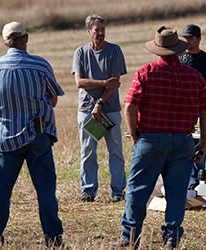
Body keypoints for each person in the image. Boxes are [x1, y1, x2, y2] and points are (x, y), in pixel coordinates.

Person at [110, 26, 206, 249]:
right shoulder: (194, 76)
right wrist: (203, 144)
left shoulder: (146, 72)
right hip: (183, 141)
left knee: (138, 191)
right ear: (178, 50)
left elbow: (130, 106)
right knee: (177, 194)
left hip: (150, 140)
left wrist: (136, 138)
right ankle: (171, 238)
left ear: (157, 50)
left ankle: (129, 237)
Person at [0, 21, 64, 247]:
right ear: (26, 39)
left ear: (6, 42)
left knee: (1, 191)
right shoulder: (40, 65)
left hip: (6, 139)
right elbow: (53, 100)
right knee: (45, 190)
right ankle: (53, 238)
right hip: (38, 136)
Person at [72, 14, 127, 203]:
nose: (101, 33)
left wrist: (100, 103)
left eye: (103, 29)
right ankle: (88, 191)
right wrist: (104, 82)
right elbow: (80, 82)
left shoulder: (114, 51)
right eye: (97, 29)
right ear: (89, 32)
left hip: (109, 109)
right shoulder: (81, 52)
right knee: (87, 151)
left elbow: (115, 83)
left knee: (116, 150)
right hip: (87, 110)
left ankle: (118, 191)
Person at [179, 24, 206, 190]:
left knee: (199, 146)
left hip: (201, 110)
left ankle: (199, 183)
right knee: (183, 146)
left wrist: (199, 85)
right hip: (180, 110)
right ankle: (189, 183)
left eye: (191, 38)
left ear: (199, 39)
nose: (187, 41)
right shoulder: (177, 58)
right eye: (185, 37)